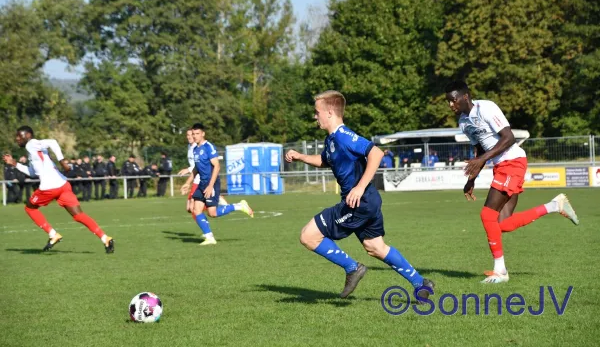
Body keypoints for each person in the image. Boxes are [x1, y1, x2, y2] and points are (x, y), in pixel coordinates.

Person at [285, 91, 434, 299]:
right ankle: (421, 284)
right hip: (367, 201)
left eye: (316, 112)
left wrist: (360, 186)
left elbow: (376, 153)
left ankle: (352, 268)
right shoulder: (331, 140)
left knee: (308, 236)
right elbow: (325, 160)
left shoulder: (345, 136)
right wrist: (301, 156)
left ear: (329, 112)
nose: (314, 116)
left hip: (359, 202)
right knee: (375, 247)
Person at [445, 81, 578, 284]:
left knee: (487, 215)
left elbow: (508, 138)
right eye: (448, 102)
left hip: (512, 162)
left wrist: (481, 160)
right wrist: (471, 179)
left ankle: (501, 271)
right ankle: (554, 205)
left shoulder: (486, 108)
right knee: (502, 224)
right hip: (502, 166)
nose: (450, 105)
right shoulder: (464, 122)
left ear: (465, 97)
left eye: (453, 100)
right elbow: (480, 150)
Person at [2, 126, 114, 253]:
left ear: (27, 135)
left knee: (29, 208)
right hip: (63, 185)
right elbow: (33, 173)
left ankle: (52, 234)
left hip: (49, 188)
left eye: (19, 136)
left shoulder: (31, 144)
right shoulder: (35, 151)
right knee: (78, 215)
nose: (17, 139)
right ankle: (105, 238)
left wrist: (62, 161)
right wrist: (14, 163)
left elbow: (52, 142)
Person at [181, 123, 254, 246]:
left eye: (197, 133)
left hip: (211, 183)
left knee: (212, 213)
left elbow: (217, 166)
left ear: (203, 133)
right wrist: (188, 182)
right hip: (202, 183)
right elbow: (197, 169)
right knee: (196, 209)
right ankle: (210, 238)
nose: (195, 136)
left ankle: (239, 206)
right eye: (193, 134)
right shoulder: (195, 149)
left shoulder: (209, 147)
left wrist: (210, 186)